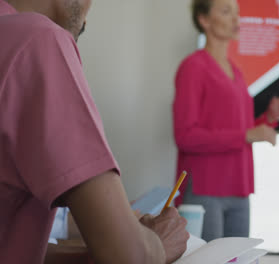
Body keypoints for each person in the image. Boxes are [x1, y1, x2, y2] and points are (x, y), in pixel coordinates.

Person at [0, 0, 189, 263]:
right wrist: (160, 243)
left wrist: (98, 251)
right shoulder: (37, 39)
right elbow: (128, 257)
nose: (87, 17)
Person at [172, 0, 279, 241]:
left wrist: (268, 119)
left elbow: (240, 131)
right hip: (205, 189)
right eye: (226, 11)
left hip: (239, 188)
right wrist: (246, 135)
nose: (236, 19)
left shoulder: (236, 71)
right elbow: (185, 136)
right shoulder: (192, 68)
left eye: (237, 13)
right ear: (204, 19)